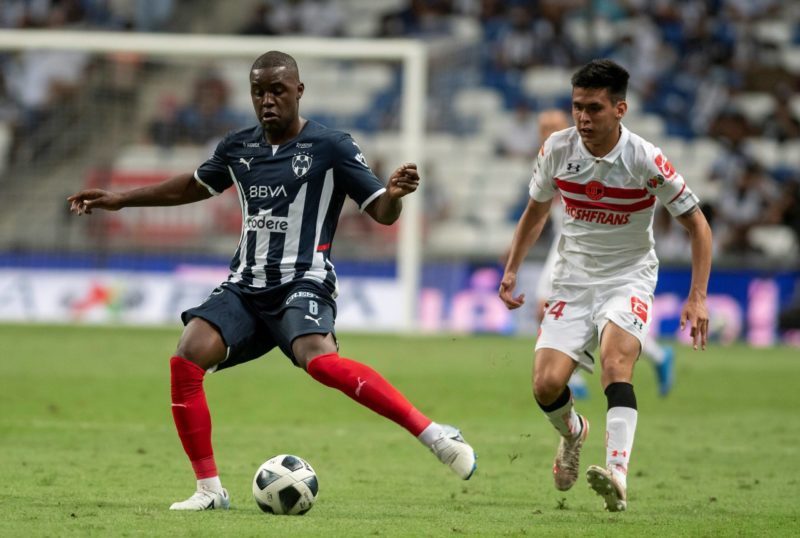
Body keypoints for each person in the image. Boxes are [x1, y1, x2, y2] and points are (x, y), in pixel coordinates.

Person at [67, 50, 476, 511]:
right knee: (187, 356)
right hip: (245, 286)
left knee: (320, 362)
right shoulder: (238, 148)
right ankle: (209, 491)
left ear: (298, 91)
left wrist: (395, 196)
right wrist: (120, 200)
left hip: (303, 281)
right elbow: (192, 186)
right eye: (259, 91)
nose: (267, 100)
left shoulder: (332, 146)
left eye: (277, 90)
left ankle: (437, 436)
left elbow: (380, 210)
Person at [499, 59, 711, 513]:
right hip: (573, 279)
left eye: (594, 108)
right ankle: (574, 432)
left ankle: (617, 472)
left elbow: (698, 224)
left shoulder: (644, 159)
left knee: (617, 363)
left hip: (628, 275)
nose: (583, 118)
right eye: (577, 107)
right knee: (545, 385)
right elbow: (535, 212)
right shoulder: (557, 149)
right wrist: (513, 267)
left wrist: (698, 296)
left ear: (620, 109)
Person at [533, 109, 677, 399]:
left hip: (588, 250)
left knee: (593, 317)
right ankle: (654, 357)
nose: (547, 130)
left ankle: (576, 376)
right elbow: (537, 211)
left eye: (552, 125)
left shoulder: (577, 153)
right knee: (550, 310)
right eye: (543, 126)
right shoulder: (552, 155)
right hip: (566, 247)